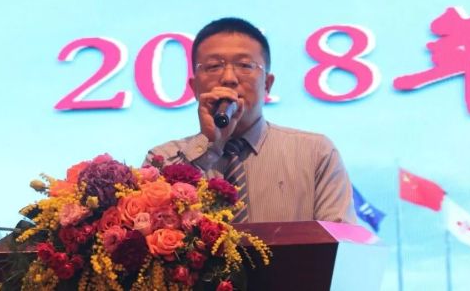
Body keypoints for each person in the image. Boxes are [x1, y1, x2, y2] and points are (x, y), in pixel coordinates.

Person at [144, 17, 355, 223]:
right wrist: (207, 144)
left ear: (267, 84)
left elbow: (341, 240)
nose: (228, 78)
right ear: (194, 87)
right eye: (213, 66)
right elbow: (150, 228)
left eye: (245, 65)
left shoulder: (316, 153)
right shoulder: (162, 159)